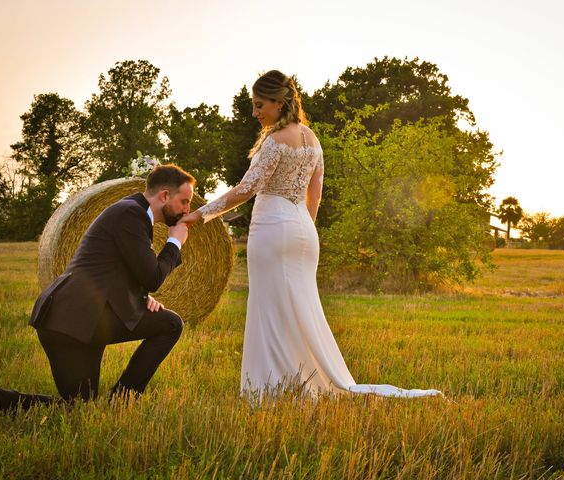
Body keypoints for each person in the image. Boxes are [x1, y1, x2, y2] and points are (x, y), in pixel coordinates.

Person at [180, 70, 441, 400]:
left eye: (260, 105)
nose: (255, 113)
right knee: (300, 308)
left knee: (270, 307)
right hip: (303, 229)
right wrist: (304, 228)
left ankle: (271, 388)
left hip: (273, 228)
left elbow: (245, 190)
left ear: (279, 102)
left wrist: (198, 215)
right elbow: (314, 194)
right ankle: (298, 381)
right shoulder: (312, 140)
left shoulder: (275, 142)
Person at [0, 164, 194, 412]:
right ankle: (122, 401)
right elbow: (153, 275)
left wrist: (144, 298)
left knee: (78, 406)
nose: (187, 210)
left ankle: (118, 403)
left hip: (83, 318)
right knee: (171, 324)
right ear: (164, 195)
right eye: (184, 201)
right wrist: (175, 241)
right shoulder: (131, 214)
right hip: (70, 320)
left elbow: (117, 270)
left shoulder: (133, 212)